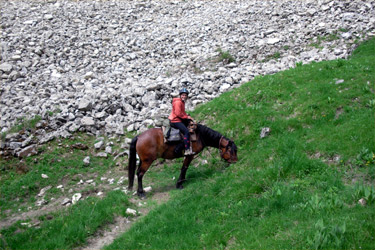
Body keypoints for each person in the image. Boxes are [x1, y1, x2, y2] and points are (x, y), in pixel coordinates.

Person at [168, 88, 194, 155]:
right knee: (186, 132)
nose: (184, 96)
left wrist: (187, 116)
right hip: (175, 120)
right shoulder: (178, 102)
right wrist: (186, 117)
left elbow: (182, 112)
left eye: (185, 95)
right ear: (180, 95)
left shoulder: (182, 102)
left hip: (178, 119)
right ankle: (187, 150)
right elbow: (178, 113)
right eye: (183, 95)